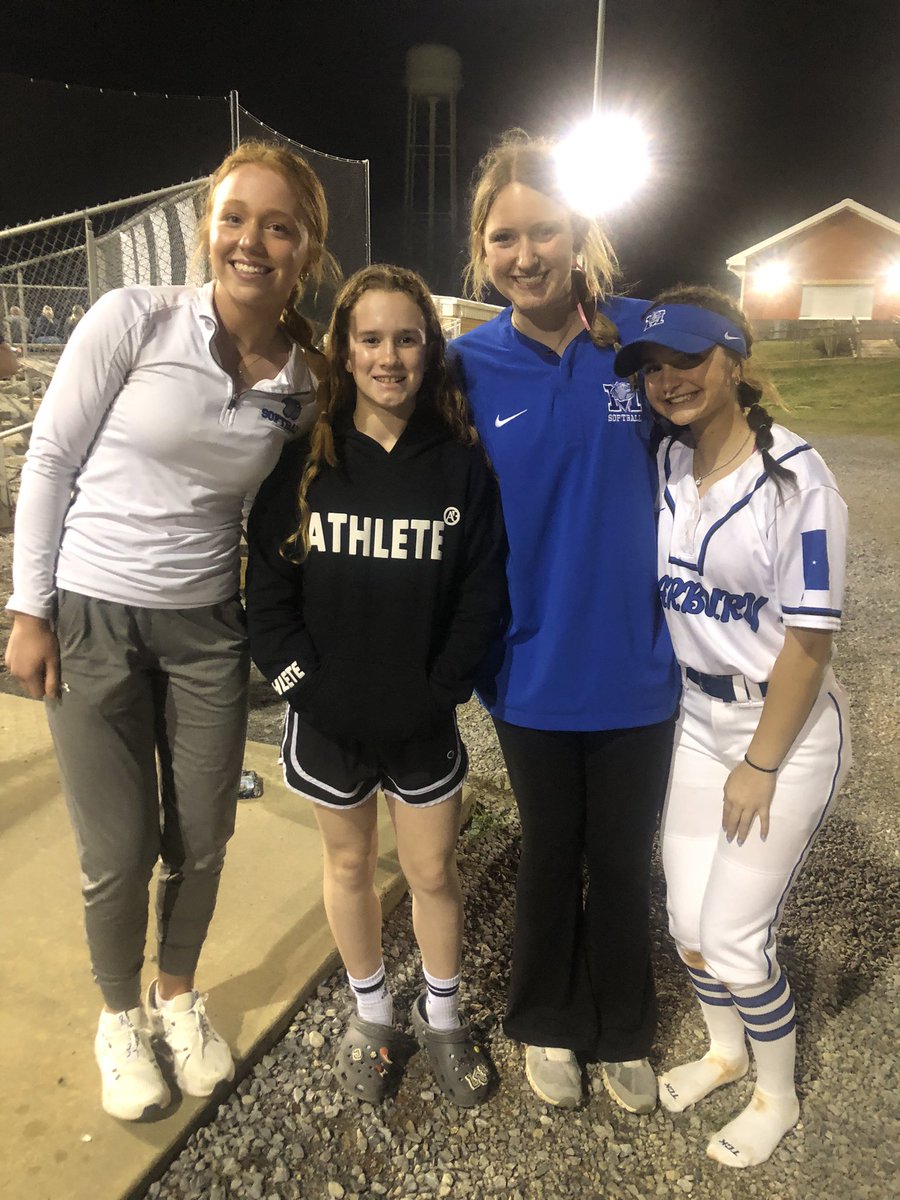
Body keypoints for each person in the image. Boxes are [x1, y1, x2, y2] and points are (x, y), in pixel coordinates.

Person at [4, 139, 336, 1121]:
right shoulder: (133, 318)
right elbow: (52, 459)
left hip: (205, 632)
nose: (252, 241)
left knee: (203, 833)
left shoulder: (304, 382)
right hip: (91, 619)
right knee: (117, 847)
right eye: (235, 218)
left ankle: (175, 996)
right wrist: (29, 609)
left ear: (306, 251)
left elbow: (325, 484)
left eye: (279, 226)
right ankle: (120, 1020)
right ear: (207, 230)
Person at [448, 131, 680, 1112]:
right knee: (550, 849)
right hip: (529, 666)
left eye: (543, 231)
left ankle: (624, 1023)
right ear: (482, 249)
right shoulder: (462, 367)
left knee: (625, 856)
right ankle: (546, 1018)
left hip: (640, 664)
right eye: (504, 237)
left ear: (579, 233)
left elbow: (733, 416)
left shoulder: (640, 339)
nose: (525, 254)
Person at [245, 264, 508, 1107]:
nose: (389, 356)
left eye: (406, 338)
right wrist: (306, 690)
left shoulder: (460, 466)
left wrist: (442, 686)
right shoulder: (306, 461)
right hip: (330, 718)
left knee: (432, 873)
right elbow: (267, 599)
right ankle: (371, 1015)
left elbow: (481, 590)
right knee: (349, 862)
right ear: (344, 352)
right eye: (370, 340)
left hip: (420, 718)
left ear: (431, 350)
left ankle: (441, 1017)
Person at [613, 285, 851, 1167]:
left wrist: (759, 761)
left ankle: (776, 1093)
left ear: (735, 359)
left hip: (777, 735)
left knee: (737, 944)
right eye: (651, 366)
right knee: (684, 922)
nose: (668, 379)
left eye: (688, 358)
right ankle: (723, 1051)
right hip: (698, 720)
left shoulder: (798, 477)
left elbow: (811, 645)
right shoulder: (671, 461)